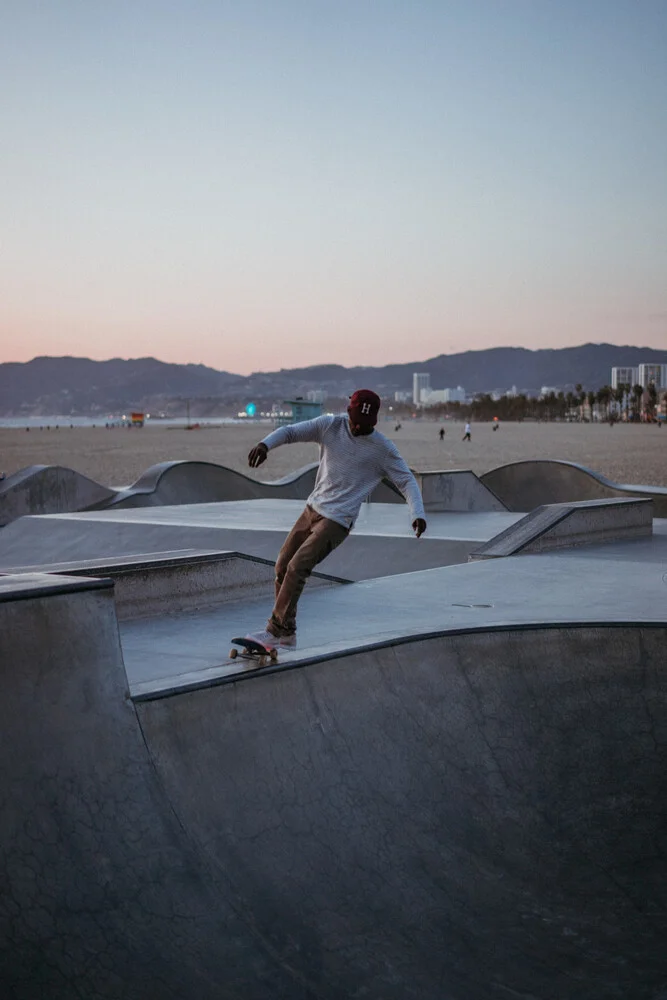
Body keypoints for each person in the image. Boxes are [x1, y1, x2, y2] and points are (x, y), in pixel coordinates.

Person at [245, 389, 427, 649]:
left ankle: (273, 630)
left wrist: (417, 513)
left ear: (373, 422)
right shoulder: (330, 425)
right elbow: (291, 432)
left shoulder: (382, 449)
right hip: (312, 509)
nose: (355, 427)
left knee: (298, 567)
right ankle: (287, 631)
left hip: (338, 521)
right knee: (282, 565)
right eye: (353, 420)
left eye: (363, 426)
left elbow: (406, 480)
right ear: (348, 410)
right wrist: (265, 445)